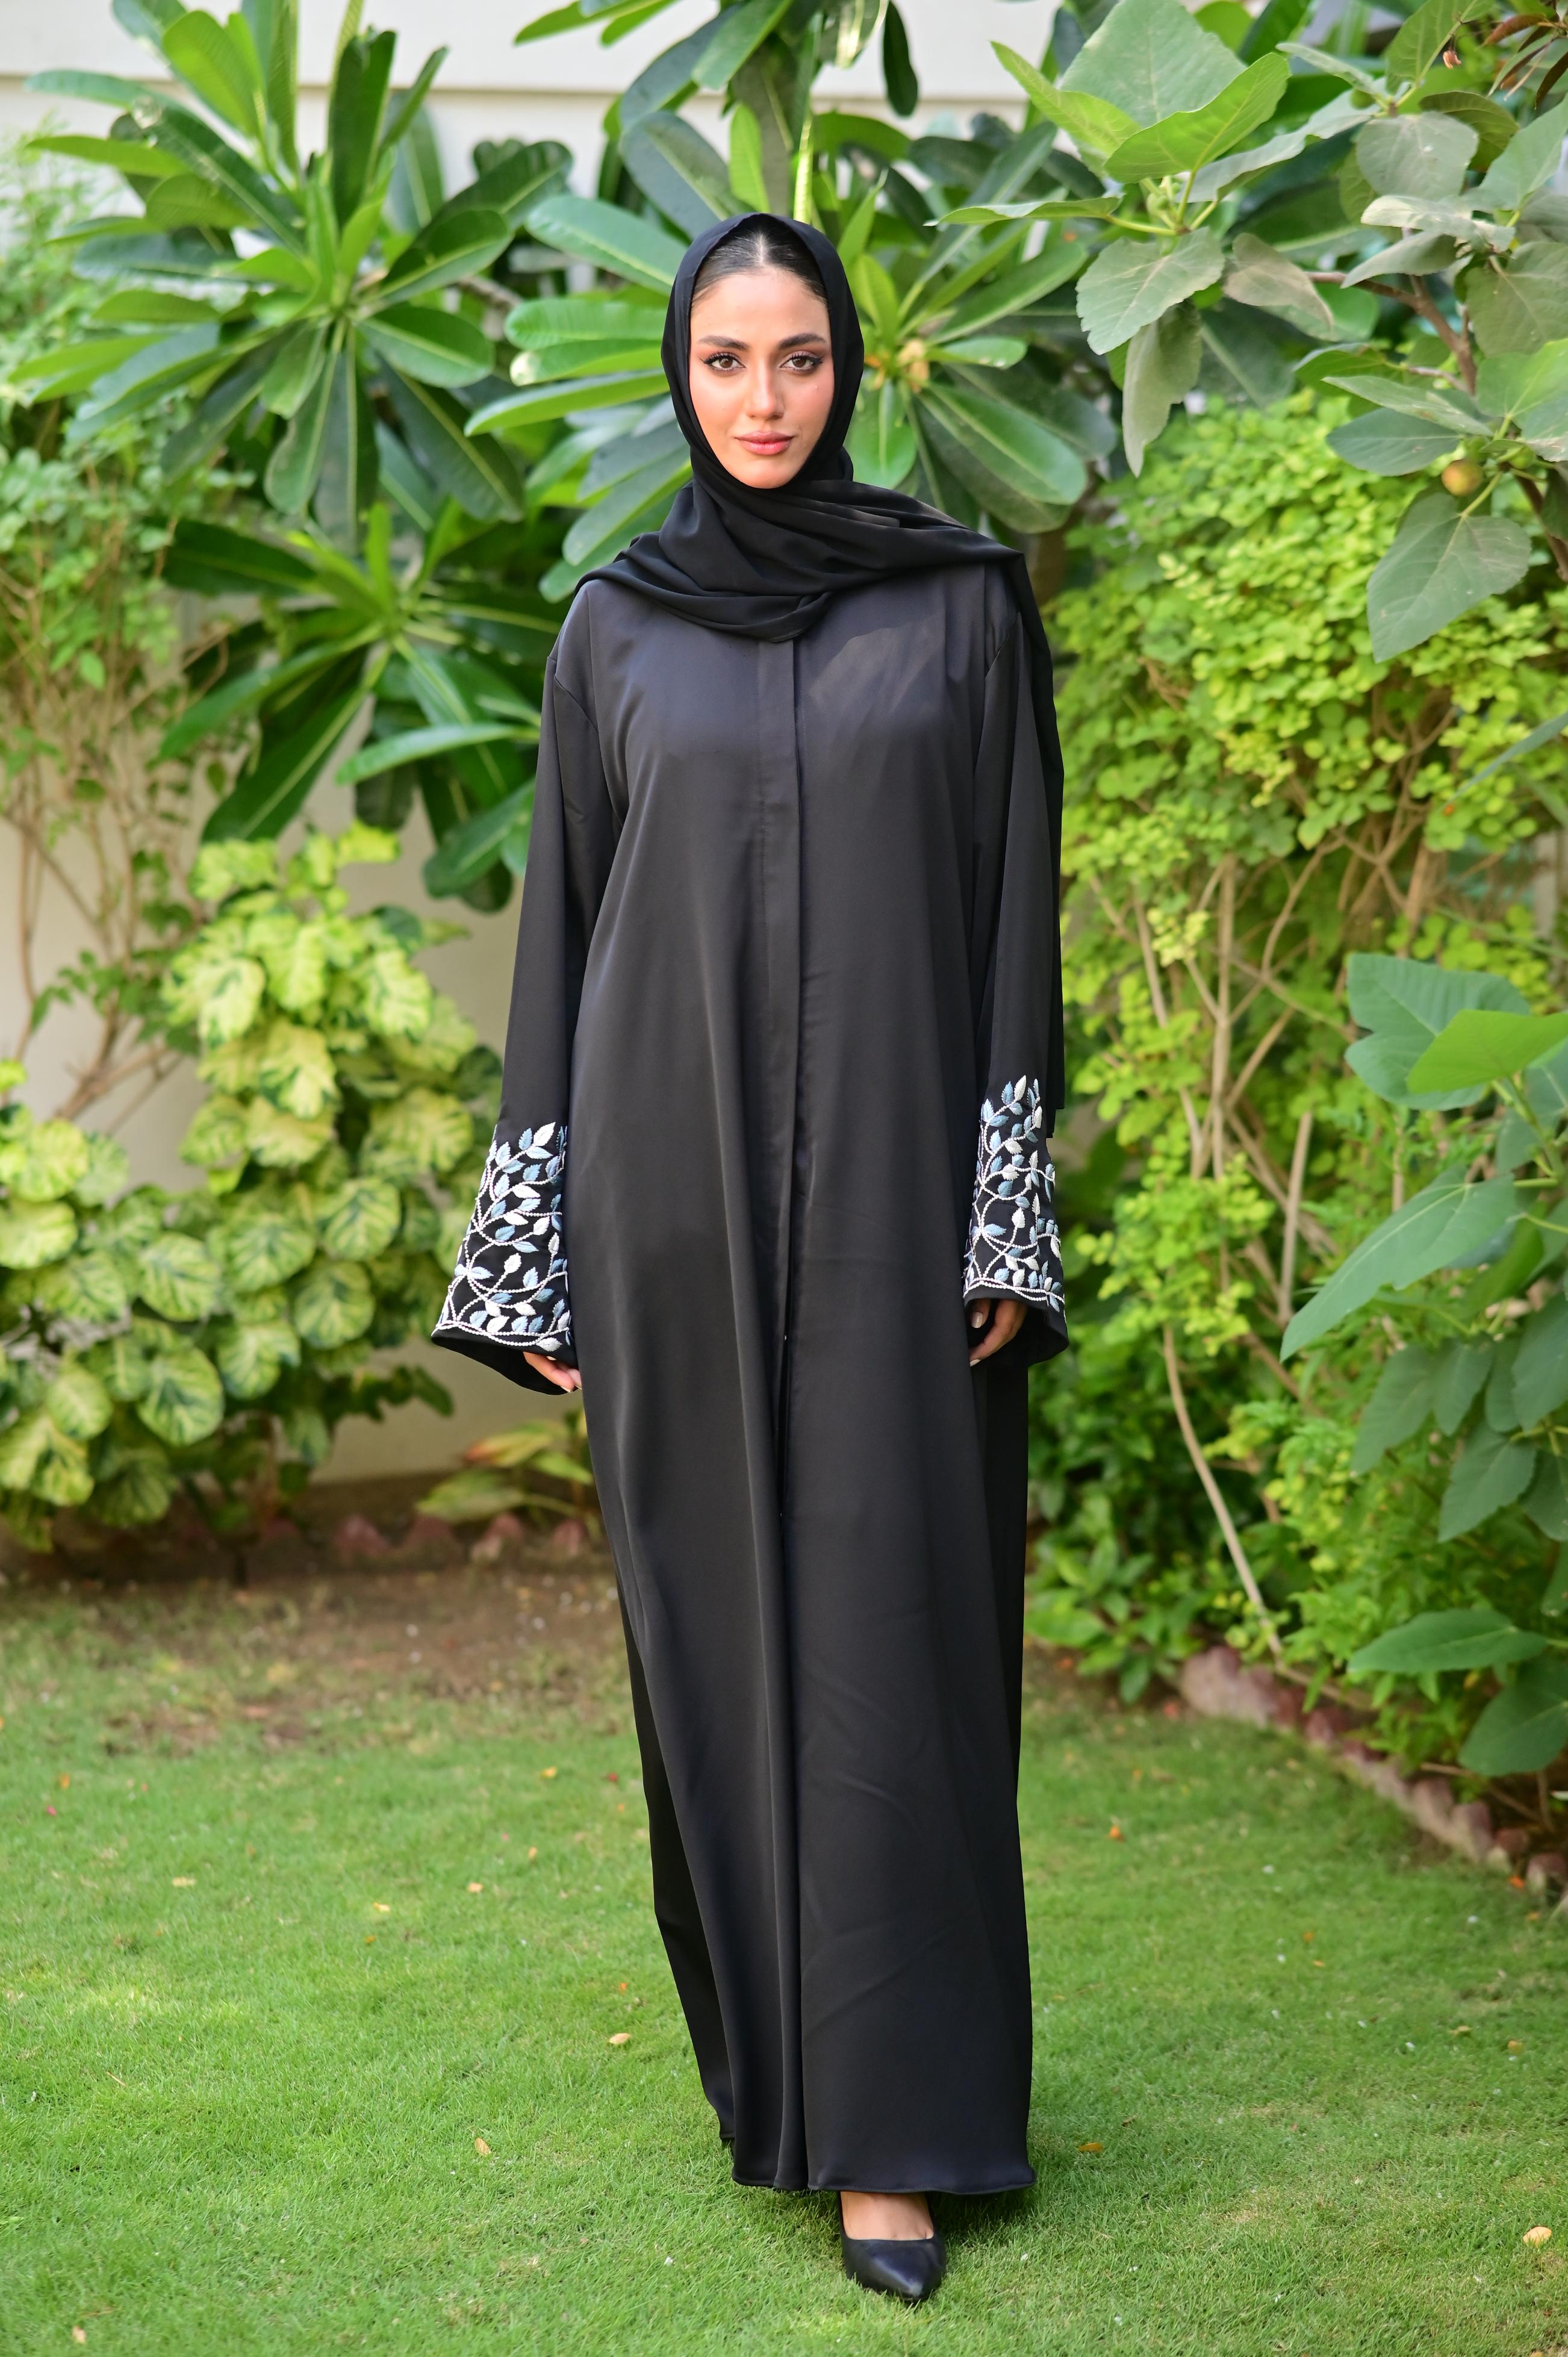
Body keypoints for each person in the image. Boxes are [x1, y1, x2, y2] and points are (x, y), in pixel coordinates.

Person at [434, 211, 1066, 2305]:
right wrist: (539, 1255)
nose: (764, 399)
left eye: (798, 357)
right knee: (714, 1646)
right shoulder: (615, 630)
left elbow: (1014, 923)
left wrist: (1003, 1202)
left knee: (894, 1636)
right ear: (679, 376)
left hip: (898, 1197)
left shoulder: (960, 610)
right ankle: (776, 2085)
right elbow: (563, 948)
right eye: (725, 361)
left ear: (849, 367)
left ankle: (891, 2134)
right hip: (670, 1203)